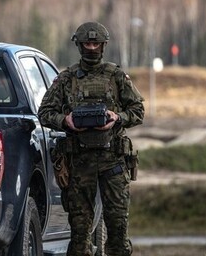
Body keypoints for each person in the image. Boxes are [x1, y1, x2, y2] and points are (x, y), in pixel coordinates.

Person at [38, 21, 144, 256]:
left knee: (117, 227)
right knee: (80, 231)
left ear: (103, 45)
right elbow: (44, 113)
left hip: (113, 160)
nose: (92, 47)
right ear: (79, 45)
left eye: (96, 43)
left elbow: (138, 111)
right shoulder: (66, 79)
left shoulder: (116, 76)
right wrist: (66, 121)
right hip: (79, 163)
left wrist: (117, 117)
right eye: (87, 43)